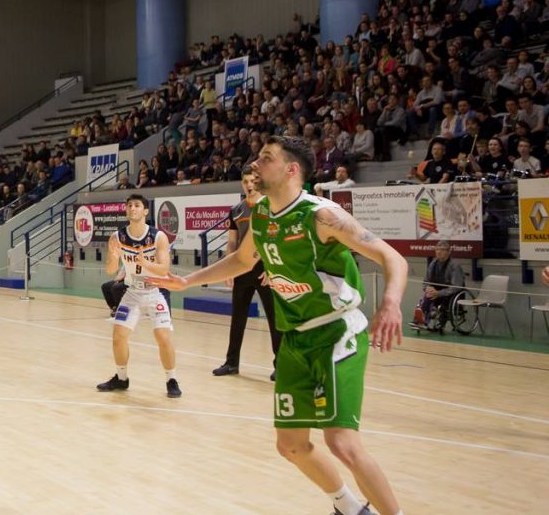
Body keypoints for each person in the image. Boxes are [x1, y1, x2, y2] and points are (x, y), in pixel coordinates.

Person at [151, 136, 406, 515]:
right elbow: (243, 261)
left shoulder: (322, 215)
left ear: (291, 170)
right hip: (295, 339)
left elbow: (392, 257)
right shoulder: (262, 216)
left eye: (266, 158)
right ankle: (350, 508)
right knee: (290, 445)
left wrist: (391, 303)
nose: (255, 163)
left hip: (337, 331)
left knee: (341, 443)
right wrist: (188, 280)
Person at [96, 194, 182, 398]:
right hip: (132, 292)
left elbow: (164, 269)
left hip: (156, 291)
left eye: (136, 205)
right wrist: (113, 257)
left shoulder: (158, 236)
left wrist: (145, 264)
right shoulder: (117, 237)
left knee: (163, 336)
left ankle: (171, 379)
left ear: (145, 211)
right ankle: (121, 378)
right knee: (118, 336)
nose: (132, 208)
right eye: (129, 205)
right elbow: (110, 270)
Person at [213, 169, 281, 378]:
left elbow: (276, 239)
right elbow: (232, 242)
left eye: (252, 181)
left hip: (264, 268)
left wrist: (272, 269)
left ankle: (281, 365)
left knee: (274, 318)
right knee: (238, 317)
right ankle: (231, 363)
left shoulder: (272, 207)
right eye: (245, 181)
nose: (249, 185)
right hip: (242, 268)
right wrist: (228, 269)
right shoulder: (236, 210)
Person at [410, 241, 467, 331]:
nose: (439, 252)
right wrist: (428, 288)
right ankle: (419, 321)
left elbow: (456, 287)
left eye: (442, 250)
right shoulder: (433, 264)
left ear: (448, 252)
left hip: (451, 294)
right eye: (437, 249)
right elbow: (426, 281)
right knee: (427, 295)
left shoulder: (455, 266)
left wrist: (439, 293)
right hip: (435, 292)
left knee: (434, 297)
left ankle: (423, 321)